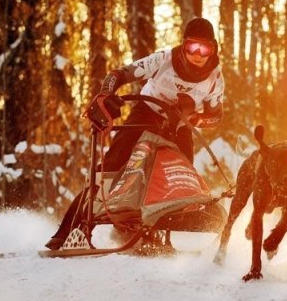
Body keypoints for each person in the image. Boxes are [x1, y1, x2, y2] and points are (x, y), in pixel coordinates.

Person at [45, 17, 225, 250]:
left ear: (213, 48)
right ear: (183, 44)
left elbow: (216, 116)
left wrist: (194, 117)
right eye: (192, 46)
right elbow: (118, 74)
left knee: (178, 181)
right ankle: (68, 230)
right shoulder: (164, 59)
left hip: (180, 127)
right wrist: (106, 94)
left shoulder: (215, 77)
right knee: (110, 167)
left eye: (205, 48)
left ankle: (154, 233)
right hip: (146, 114)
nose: (198, 54)